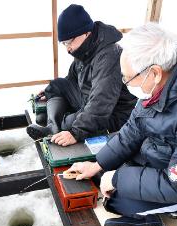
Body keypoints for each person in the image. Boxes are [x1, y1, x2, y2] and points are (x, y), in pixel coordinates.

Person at [66, 23, 177, 226]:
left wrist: (116, 178)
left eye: (127, 78)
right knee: (101, 179)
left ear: (155, 73)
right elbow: (132, 131)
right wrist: (98, 164)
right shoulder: (156, 89)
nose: (124, 83)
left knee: (115, 201)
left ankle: (149, 221)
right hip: (158, 160)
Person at [27, 4, 136, 146]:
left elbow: (101, 101)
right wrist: (51, 92)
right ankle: (52, 126)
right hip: (88, 97)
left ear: (85, 33)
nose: (68, 49)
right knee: (57, 85)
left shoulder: (109, 55)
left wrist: (75, 133)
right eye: (64, 43)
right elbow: (71, 80)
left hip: (112, 112)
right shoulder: (85, 48)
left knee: (68, 124)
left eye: (69, 42)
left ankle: (56, 126)